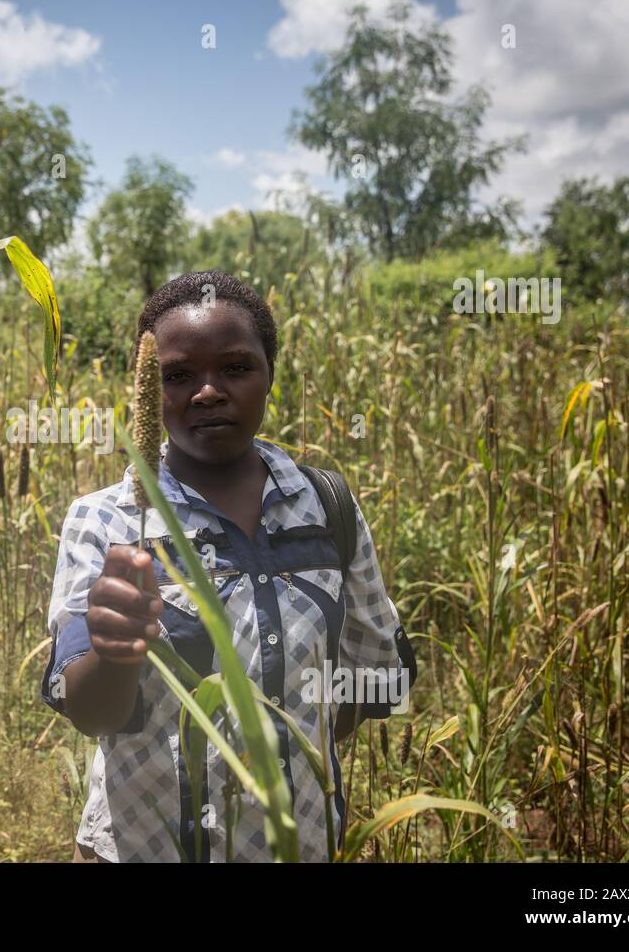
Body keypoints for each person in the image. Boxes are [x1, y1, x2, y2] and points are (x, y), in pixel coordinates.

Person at [40, 270, 415, 862]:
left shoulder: (327, 507)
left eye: (236, 368)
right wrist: (114, 651)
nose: (208, 392)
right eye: (177, 376)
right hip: (148, 848)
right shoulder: (106, 522)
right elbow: (90, 713)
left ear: (270, 377)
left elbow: (368, 684)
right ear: (147, 392)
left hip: (301, 844)